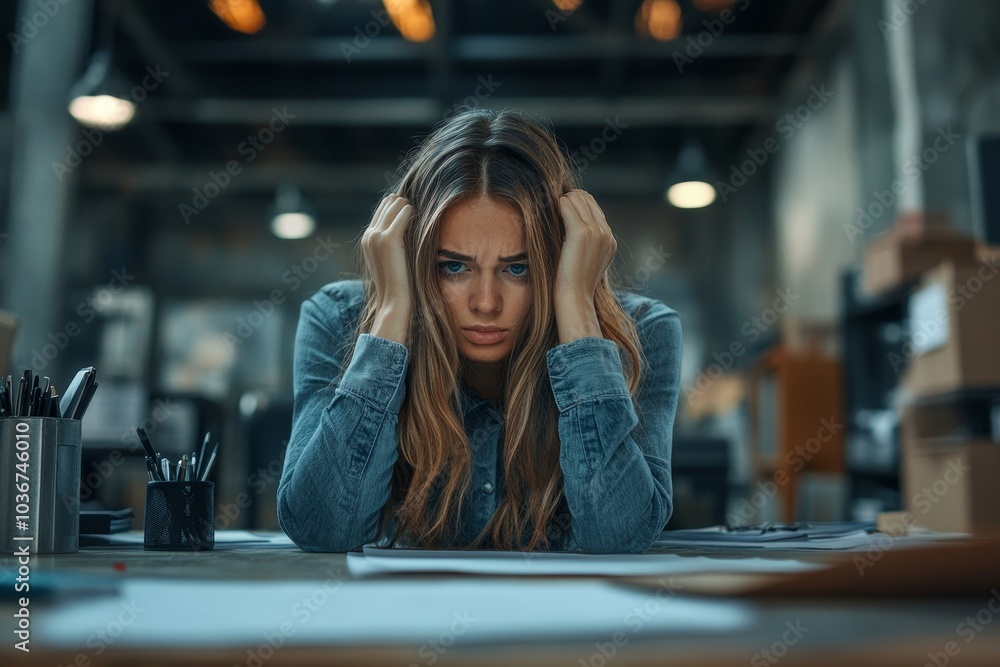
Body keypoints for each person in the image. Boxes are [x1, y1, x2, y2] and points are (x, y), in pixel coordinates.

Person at [277, 108, 682, 553]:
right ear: (415, 262)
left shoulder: (644, 331)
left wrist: (575, 308)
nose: (485, 303)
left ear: (559, 259)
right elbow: (323, 529)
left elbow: (619, 537)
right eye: (453, 267)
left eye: (519, 268)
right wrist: (392, 313)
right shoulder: (336, 319)